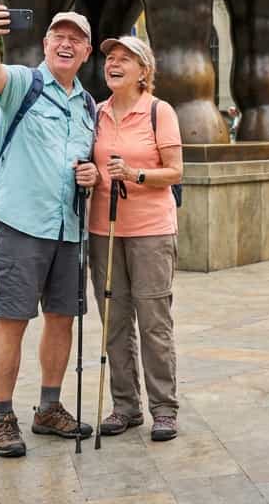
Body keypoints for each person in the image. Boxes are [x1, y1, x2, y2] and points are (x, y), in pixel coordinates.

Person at [0, 5, 100, 458]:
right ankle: (2, 417)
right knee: (13, 319)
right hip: (21, 223)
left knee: (62, 319)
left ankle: (49, 408)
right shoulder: (24, 84)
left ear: (86, 51)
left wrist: (91, 175)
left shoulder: (88, 105)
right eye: (58, 36)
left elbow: (89, 162)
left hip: (69, 229)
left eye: (75, 38)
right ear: (46, 44)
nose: (66, 43)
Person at [88, 36, 184, 443]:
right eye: (110, 57)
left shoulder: (159, 112)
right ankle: (125, 406)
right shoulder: (95, 112)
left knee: (153, 323)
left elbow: (175, 171)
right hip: (103, 229)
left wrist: (135, 174)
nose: (114, 63)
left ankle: (164, 409)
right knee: (114, 322)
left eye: (124, 58)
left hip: (150, 230)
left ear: (143, 71)